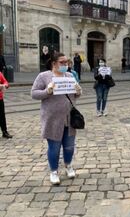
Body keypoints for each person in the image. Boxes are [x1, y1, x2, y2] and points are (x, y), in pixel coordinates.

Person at [31, 52, 82, 185]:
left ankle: (68, 166)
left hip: (69, 118)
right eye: (62, 62)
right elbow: (34, 94)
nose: (66, 65)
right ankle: (53, 171)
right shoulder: (44, 76)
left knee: (69, 146)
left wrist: (78, 91)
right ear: (54, 63)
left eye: (67, 62)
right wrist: (47, 91)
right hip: (53, 119)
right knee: (54, 147)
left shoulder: (70, 76)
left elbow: (74, 96)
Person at [0, 72, 12, 139]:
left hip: (0, 98)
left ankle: (4, 132)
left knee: (2, 116)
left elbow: (6, 83)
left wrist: (4, 85)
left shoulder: (0, 74)